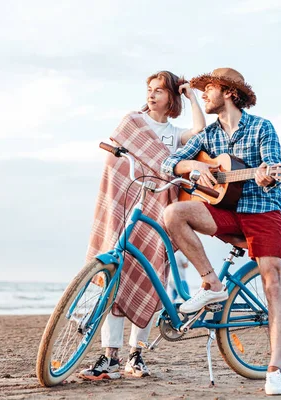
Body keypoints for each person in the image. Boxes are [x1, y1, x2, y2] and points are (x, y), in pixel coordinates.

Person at [160, 68, 281, 395]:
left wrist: (267, 176)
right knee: (174, 213)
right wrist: (196, 166)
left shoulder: (262, 128)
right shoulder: (208, 136)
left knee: (272, 281)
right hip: (226, 212)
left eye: (209, 89)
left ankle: (274, 369)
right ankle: (212, 283)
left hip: (262, 211)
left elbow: (273, 169)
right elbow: (169, 164)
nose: (203, 95)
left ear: (230, 92)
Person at [79, 71, 205, 381]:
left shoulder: (174, 133)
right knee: (115, 277)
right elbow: (116, 161)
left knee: (150, 278)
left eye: (160, 91)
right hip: (126, 206)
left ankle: (136, 356)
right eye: (149, 90)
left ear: (171, 97)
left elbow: (200, 132)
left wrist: (192, 96)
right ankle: (110, 356)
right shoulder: (134, 122)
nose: (152, 95)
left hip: (155, 208)